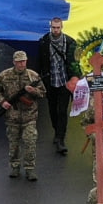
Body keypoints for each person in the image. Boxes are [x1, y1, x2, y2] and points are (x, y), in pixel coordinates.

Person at [0, 51, 47, 180]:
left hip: (30, 116)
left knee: (30, 142)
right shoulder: (5, 75)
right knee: (14, 143)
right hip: (12, 116)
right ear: (14, 62)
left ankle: (29, 168)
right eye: (19, 62)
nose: (21, 64)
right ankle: (15, 166)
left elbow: (43, 93)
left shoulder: (33, 76)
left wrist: (33, 91)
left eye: (23, 61)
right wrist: (2, 101)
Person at [38, 17, 79, 155]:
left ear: (61, 27)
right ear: (51, 27)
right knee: (52, 109)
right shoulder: (44, 41)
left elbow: (74, 63)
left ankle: (61, 138)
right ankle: (57, 130)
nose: (56, 30)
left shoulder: (70, 42)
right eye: (53, 27)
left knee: (62, 110)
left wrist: (74, 78)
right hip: (50, 80)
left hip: (64, 81)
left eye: (58, 27)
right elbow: (40, 60)